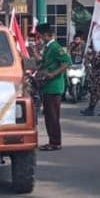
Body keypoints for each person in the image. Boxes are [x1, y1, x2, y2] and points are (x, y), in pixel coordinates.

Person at [36, 23, 72, 151]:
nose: (39, 38)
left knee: (53, 116)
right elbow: (45, 63)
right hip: (47, 86)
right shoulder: (48, 47)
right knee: (48, 115)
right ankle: (52, 140)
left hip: (54, 86)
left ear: (46, 35)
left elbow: (67, 62)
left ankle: (55, 142)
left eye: (40, 35)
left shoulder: (56, 47)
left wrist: (52, 74)